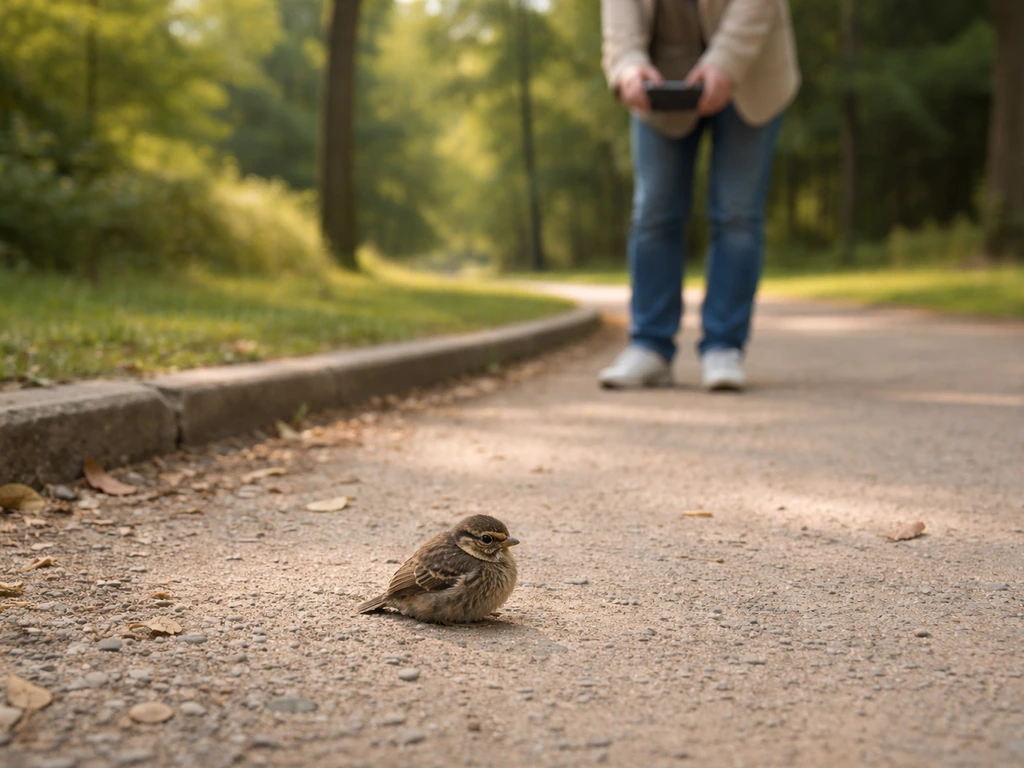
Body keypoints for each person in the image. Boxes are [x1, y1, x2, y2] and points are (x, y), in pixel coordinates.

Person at [598, 0, 800, 391]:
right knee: (653, 210)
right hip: (660, 78)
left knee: (737, 213)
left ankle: (724, 347)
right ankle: (650, 346)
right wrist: (626, 64)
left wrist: (725, 62)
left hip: (753, 69)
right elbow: (620, 12)